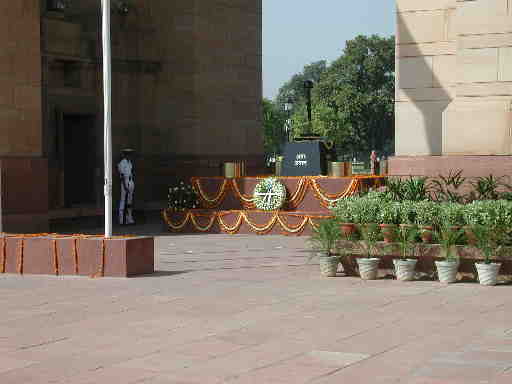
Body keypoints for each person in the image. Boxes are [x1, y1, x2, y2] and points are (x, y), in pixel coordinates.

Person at [118, 149, 135, 225]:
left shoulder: (129, 162)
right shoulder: (122, 163)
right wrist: (125, 186)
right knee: (123, 200)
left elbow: (131, 172)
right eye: (129, 154)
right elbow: (121, 175)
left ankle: (129, 219)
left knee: (129, 201)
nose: (130, 156)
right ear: (125, 155)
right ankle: (121, 220)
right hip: (125, 182)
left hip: (130, 181)